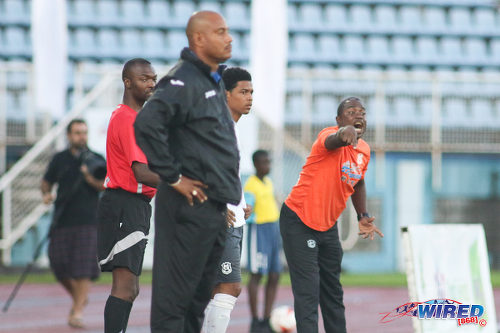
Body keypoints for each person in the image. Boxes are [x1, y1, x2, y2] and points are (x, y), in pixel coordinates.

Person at [134, 11, 241, 333]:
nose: (229, 38)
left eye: (228, 31)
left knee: (196, 302)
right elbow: (147, 123)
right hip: (187, 208)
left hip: (212, 208)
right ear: (199, 39)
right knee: (175, 303)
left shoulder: (210, 80)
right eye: (220, 32)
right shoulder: (183, 80)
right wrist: (174, 178)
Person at [280, 97, 384, 333]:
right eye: (351, 112)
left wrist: (362, 215)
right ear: (338, 119)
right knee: (308, 291)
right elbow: (333, 139)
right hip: (299, 219)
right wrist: (344, 132)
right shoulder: (328, 135)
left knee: (333, 293)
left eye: (362, 112)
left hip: (327, 226)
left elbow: (357, 183)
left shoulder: (364, 151)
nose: (358, 115)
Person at [97, 58, 160, 333]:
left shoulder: (136, 119)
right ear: (127, 82)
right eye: (144, 78)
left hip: (134, 206)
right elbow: (142, 173)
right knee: (124, 287)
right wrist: (182, 181)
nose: (151, 84)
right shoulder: (127, 118)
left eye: (153, 78)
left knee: (131, 288)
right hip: (125, 205)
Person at [41, 118, 105, 329]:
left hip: (88, 220)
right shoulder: (59, 158)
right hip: (62, 219)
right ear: (69, 135)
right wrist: (46, 194)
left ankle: (77, 311)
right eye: (77, 132)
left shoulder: (96, 158)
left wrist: (89, 178)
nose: (81, 136)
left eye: (84, 132)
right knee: (58, 264)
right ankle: (80, 298)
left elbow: (105, 185)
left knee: (83, 268)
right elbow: (46, 181)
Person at [202, 67, 253, 333]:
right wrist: (218, 207)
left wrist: (239, 200)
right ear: (226, 94)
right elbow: (200, 169)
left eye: (251, 92)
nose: (250, 98)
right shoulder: (218, 129)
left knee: (215, 288)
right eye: (243, 92)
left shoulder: (229, 128)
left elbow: (224, 174)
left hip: (234, 215)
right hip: (222, 220)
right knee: (228, 286)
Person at [244, 150, 282, 333]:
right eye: (264, 162)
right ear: (256, 164)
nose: (268, 165)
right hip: (259, 231)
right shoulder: (250, 185)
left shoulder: (268, 182)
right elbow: (247, 212)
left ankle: (266, 319)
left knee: (275, 275)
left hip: (273, 229)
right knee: (257, 275)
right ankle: (255, 320)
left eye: (269, 162)